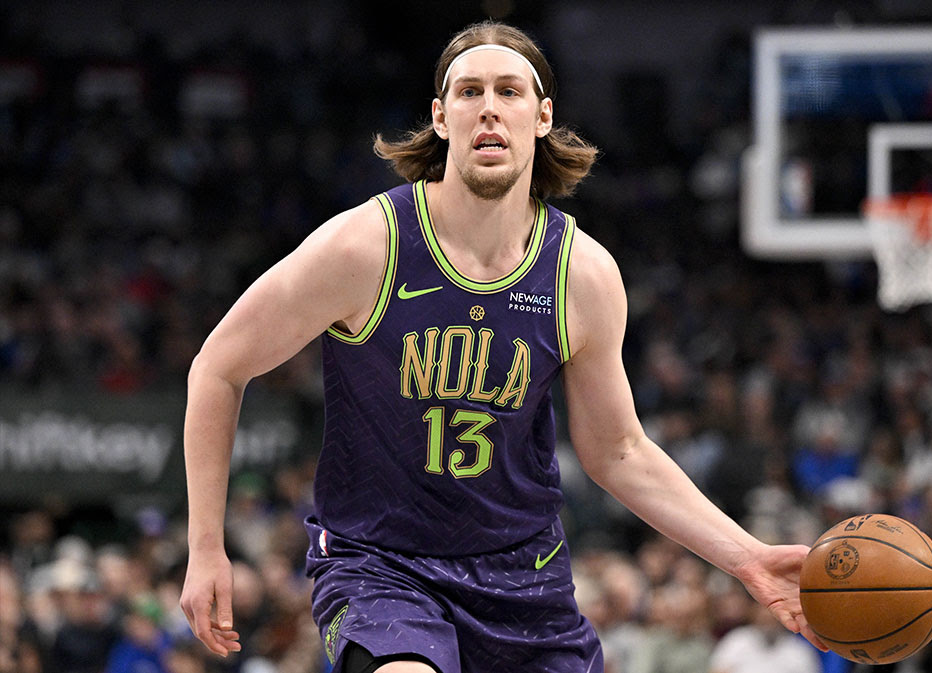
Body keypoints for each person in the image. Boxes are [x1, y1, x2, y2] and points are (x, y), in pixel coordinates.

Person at [180, 20, 827, 673]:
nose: (489, 105)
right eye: (469, 92)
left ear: (542, 116)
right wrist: (206, 545)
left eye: (509, 91)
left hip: (524, 578)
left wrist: (747, 554)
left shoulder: (582, 274)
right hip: (382, 564)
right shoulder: (365, 247)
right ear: (440, 117)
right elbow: (218, 367)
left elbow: (619, 450)